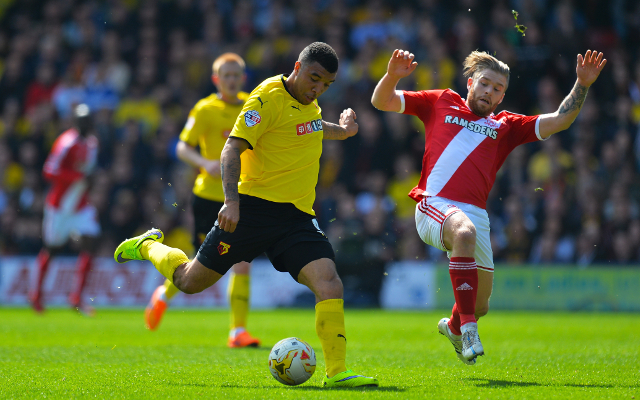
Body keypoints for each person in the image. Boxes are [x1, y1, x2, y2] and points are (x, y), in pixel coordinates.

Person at [115, 42, 378, 388]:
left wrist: (342, 131)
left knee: (329, 281)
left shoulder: (308, 103)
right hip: (251, 209)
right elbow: (231, 148)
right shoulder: (266, 97)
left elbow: (310, 127)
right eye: (314, 79)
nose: (318, 89)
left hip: (296, 217)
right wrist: (232, 202)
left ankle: (338, 372)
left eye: (326, 85)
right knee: (188, 281)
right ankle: (149, 246)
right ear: (297, 68)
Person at [372, 49, 606, 364]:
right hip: (433, 204)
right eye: (485, 83)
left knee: (479, 305)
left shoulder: (505, 125)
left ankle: (455, 326)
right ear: (470, 83)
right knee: (464, 236)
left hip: (475, 215)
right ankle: (469, 330)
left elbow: (562, 120)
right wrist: (393, 76)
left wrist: (582, 84)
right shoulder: (440, 101)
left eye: (497, 89)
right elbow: (381, 101)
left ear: (502, 96)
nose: (489, 91)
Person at [144, 53, 260, 349]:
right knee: (200, 265)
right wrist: (203, 163)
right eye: (227, 75)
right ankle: (163, 295)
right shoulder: (205, 108)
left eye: (237, 75)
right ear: (216, 80)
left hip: (241, 195)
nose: (232, 80)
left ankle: (238, 332)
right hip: (208, 196)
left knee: (243, 261)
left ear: (243, 79)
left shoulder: (252, 107)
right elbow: (182, 146)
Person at [30, 103, 101, 316]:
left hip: (80, 205)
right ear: (77, 122)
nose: (87, 125)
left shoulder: (92, 144)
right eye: (83, 121)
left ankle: (77, 297)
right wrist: (78, 177)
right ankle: (36, 295)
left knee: (91, 241)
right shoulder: (66, 142)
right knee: (52, 249)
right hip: (60, 206)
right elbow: (49, 171)